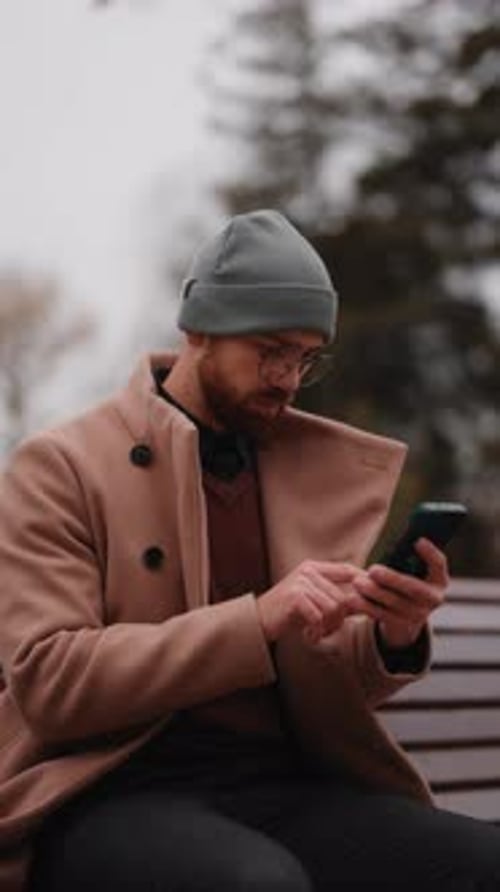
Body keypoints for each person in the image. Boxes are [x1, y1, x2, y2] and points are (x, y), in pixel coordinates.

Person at [0, 209, 499, 892]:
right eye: (270, 351)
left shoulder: (297, 470)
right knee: (256, 884)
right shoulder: (60, 467)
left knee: (478, 862)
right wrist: (256, 619)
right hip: (106, 790)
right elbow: (51, 681)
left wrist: (393, 633)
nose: (288, 379)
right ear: (199, 328)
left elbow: (324, 677)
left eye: (304, 358)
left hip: (282, 784)